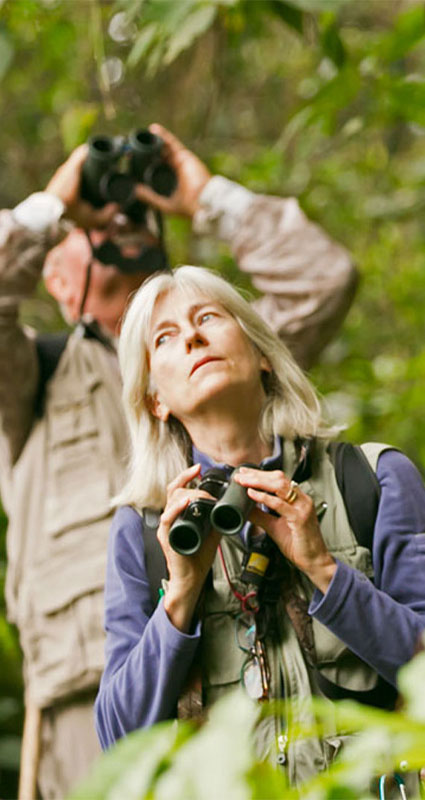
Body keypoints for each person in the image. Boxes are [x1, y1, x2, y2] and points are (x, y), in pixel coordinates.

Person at [0, 124, 356, 799]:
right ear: (52, 268)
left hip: (251, 674)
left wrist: (204, 197)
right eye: (97, 221)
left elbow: (323, 279)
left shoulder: (216, 356)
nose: (124, 219)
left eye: (138, 211)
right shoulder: (29, 378)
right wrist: (54, 208)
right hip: (92, 708)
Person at [95, 265, 425, 788]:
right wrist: (179, 596)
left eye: (208, 318)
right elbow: (118, 736)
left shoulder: (372, 480)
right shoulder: (143, 531)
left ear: (263, 356)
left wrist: (324, 569)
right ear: (156, 399)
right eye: (166, 337)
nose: (194, 337)